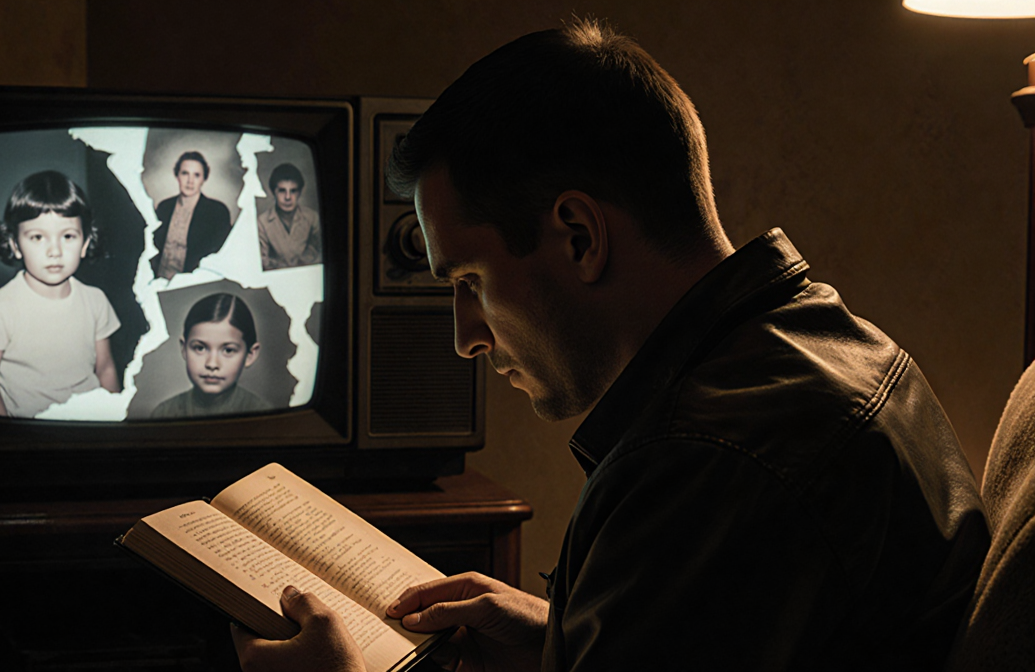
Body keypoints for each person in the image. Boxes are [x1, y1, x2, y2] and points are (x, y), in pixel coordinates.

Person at [231, 18, 990, 672]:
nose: (466, 338)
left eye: (470, 280)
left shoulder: (704, 464)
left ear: (579, 236)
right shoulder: (833, 343)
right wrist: (562, 638)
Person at [0, 170, 121, 418]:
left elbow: (106, 368)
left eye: (68, 236)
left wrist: (114, 421)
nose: (54, 251)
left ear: (85, 243)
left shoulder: (96, 301)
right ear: (15, 245)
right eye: (37, 237)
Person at [151, 292, 271, 418]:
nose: (212, 364)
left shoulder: (261, 413)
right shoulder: (164, 413)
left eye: (228, 350)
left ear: (250, 354)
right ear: (184, 349)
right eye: (200, 348)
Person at [151, 151, 232, 279]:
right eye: (185, 173)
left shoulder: (217, 212)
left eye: (196, 175)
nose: (190, 181)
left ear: (204, 179)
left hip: (192, 283)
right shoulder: (164, 207)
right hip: (158, 281)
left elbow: (218, 259)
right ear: (177, 176)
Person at [258, 162, 321, 270]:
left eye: (293, 191)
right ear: (274, 192)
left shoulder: (312, 218)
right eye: (282, 191)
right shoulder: (262, 222)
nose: (288, 197)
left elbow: (320, 252)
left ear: (299, 193)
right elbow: (262, 260)